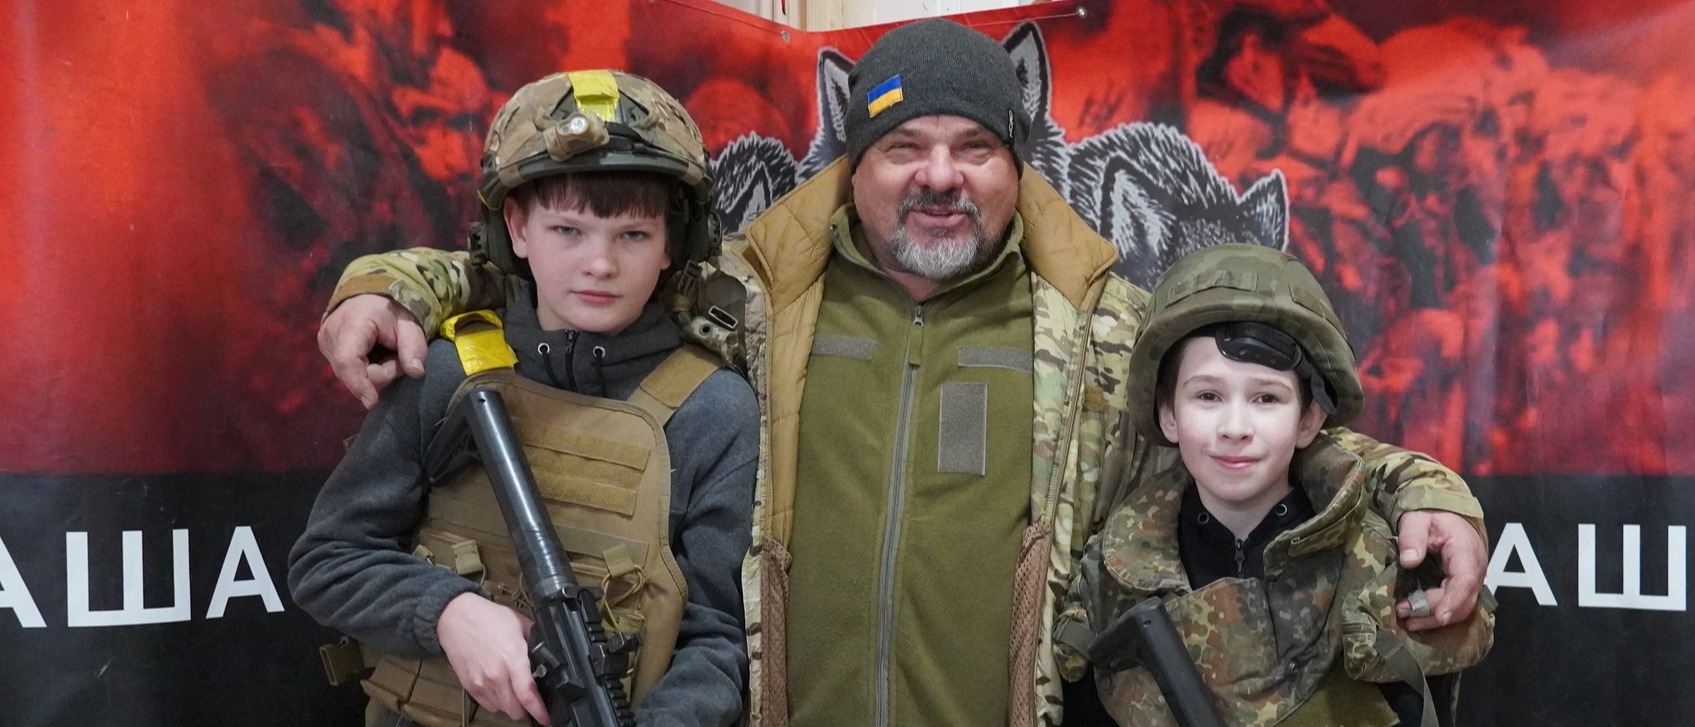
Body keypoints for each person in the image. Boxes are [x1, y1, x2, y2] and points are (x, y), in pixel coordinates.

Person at [309, 19, 1489, 726]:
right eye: (903, 147)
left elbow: (1254, 418)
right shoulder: (746, 297)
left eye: (974, 147)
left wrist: (1421, 489)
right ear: (853, 163)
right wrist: (394, 284)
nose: (939, 175)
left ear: (1016, 165)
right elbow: (561, 268)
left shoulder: (1100, 328)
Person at [287, 69, 757, 727]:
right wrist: (450, 612)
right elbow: (327, 561)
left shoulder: (714, 409)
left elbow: (718, 638)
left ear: (670, 246)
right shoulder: (448, 369)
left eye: (633, 235)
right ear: (516, 228)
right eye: (567, 230)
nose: (600, 264)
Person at [1055, 243, 1493, 727]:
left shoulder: (1374, 564)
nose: (1234, 427)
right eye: (1208, 395)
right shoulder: (1113, 575)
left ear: (1309, 419)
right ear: (1168, 413)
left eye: (1266, 398)